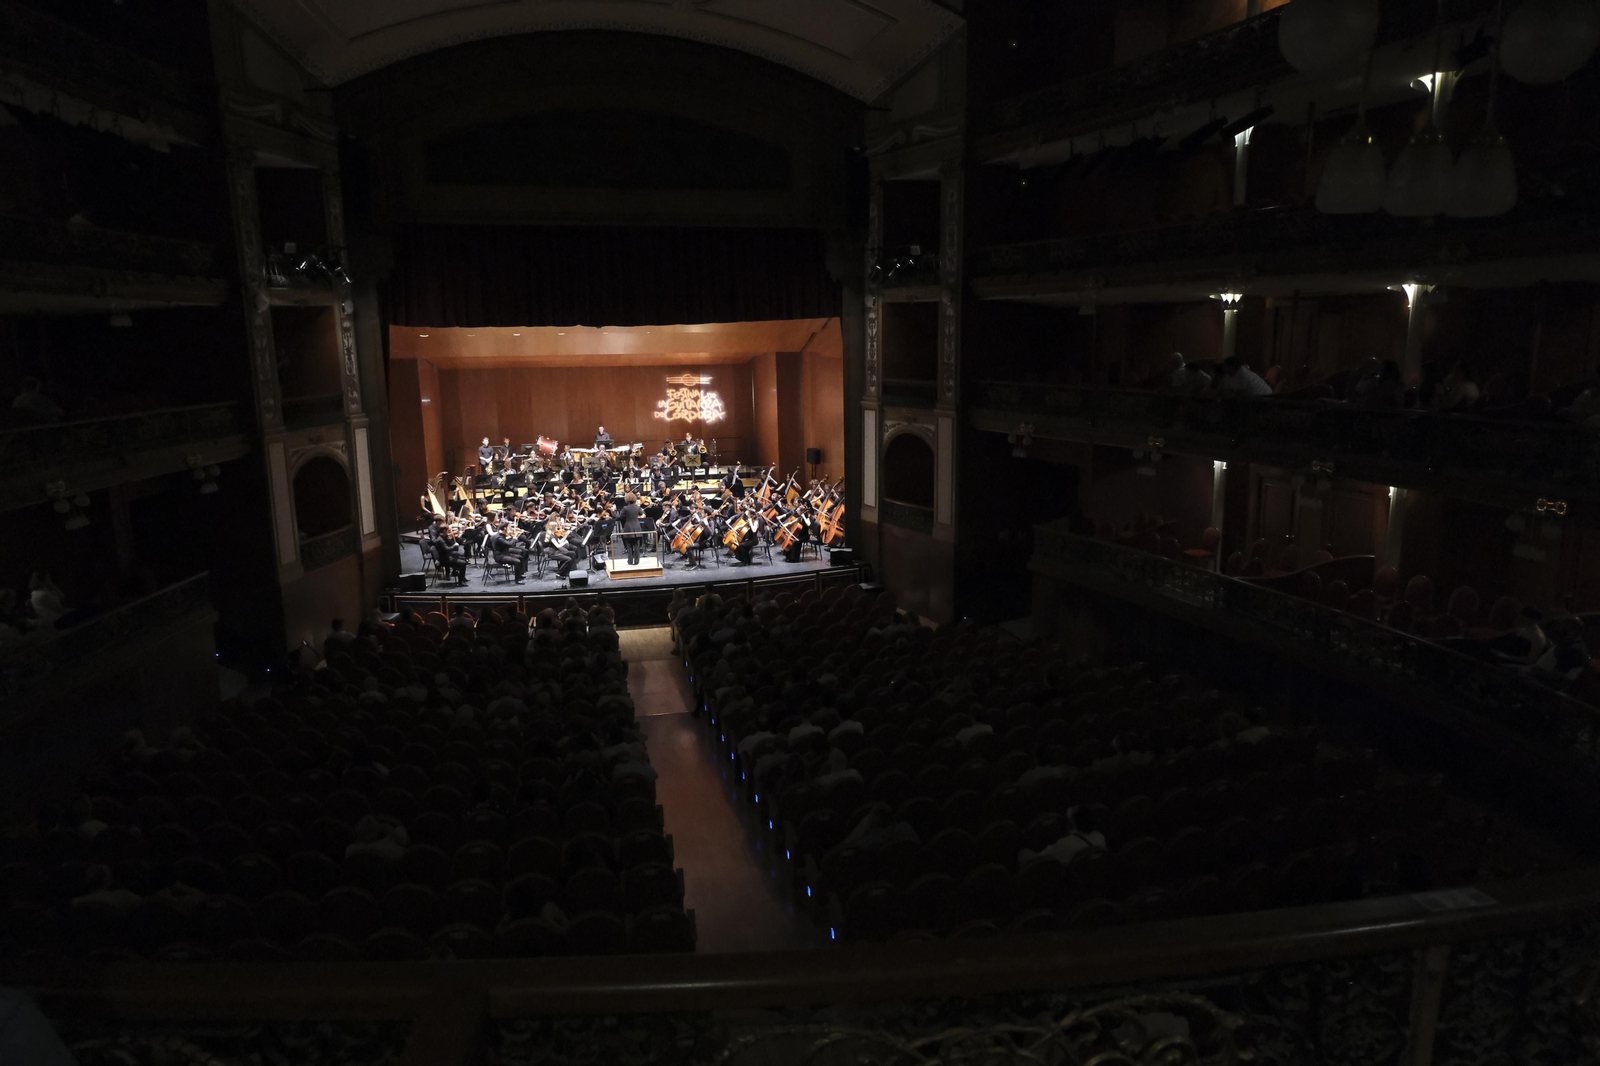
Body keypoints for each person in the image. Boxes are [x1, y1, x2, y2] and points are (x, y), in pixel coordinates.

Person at [617, 492, 644, 565]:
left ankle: (630, 561)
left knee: (629, 545)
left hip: (628, 527)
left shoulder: (625, 508)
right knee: (636, 545)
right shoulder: (637, 507)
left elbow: (619, 517)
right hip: (637, 527)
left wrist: (614, 512)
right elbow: (641, 513)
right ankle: (637, 561)